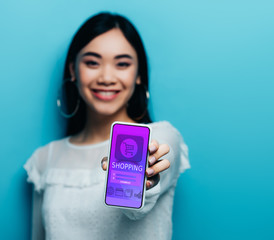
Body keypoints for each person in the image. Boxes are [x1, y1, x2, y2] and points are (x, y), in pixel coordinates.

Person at [24, 12, 190, 240]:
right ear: (73, 70)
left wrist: (143, 183)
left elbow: (135, 208)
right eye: (92, 62)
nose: (106, 77)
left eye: (122, 64)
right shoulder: (44, 159)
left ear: (138, 75)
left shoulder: (159, 138)